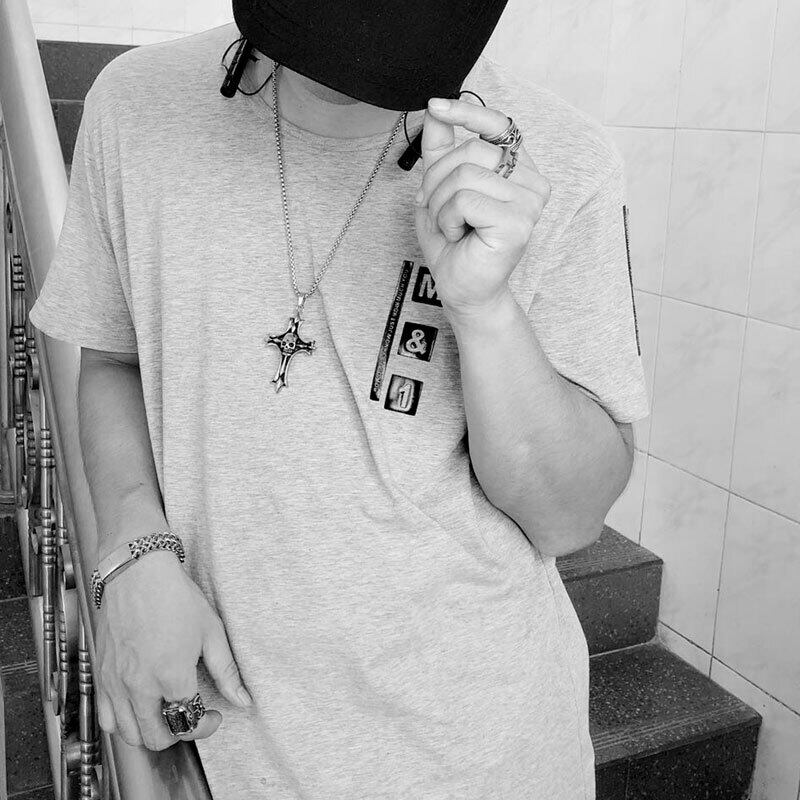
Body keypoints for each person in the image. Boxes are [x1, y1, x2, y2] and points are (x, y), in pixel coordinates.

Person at [28, 1, 648, 797]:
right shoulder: (136, 105)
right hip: (228, 743)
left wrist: (486, 310)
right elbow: (114, 359)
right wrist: (132, 551)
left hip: (478, 752)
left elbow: (568, 519)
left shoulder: (556, 159)